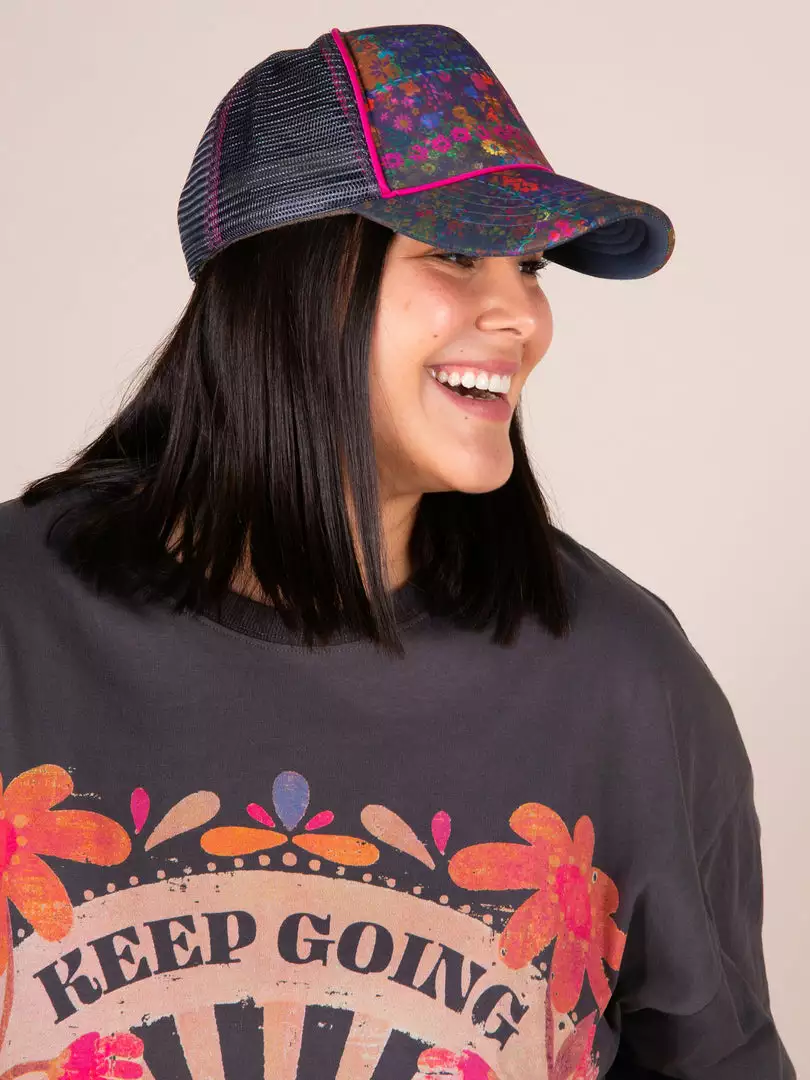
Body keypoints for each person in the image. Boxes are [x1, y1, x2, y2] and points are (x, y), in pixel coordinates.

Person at [0, 21, 795, 1080]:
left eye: (529, 265)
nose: (522, 316)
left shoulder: (623, 682)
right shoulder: (15, 626)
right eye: (456, 254)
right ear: (292, 283)